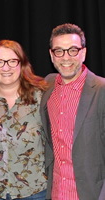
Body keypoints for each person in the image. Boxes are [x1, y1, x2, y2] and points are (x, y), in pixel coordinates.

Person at [0, 40, 48, 200]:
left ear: (21, 64)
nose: (6, 67)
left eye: (12, 61)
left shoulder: (40, 97)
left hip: (34, 192)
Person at [40, 23, 105, 199]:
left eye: (73, 50)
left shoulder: (101, 90)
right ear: (51, 55)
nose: (65, 57)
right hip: (56, 192)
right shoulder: (49, 84)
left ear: (83, 52)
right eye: (59, 51)